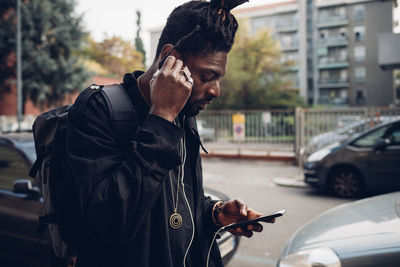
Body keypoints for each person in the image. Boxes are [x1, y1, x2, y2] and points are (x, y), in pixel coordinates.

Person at [67, 1, 270, 266]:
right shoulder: (99, 109)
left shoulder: (183, 114)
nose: (215, 91)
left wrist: (214, 213)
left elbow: (175, 205)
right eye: (207, 76)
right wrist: (161, 117)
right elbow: (107, 225)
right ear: (168, 59)